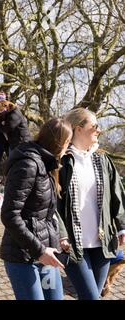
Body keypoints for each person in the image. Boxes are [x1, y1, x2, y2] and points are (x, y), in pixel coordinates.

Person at [0, 118, 73, 300]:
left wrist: (60, 237)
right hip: (23, 256)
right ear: (60, 143)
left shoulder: (47, 163)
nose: (68, 147)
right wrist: (39, 250)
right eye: (67, 142)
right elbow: (9, 215)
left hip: (48, 255)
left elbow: (45, 212)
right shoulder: (28, 165)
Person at [57, 108, 125, 300]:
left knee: (93, 295)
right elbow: (53, 204)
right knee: (90, 297)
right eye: (94, 126)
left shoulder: (102, 159)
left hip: (102, 243)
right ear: (78, 129)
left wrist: (122, 227)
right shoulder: (61, 161)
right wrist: (61, 234)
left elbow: (116, 196)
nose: (99, 130)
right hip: (73, 244)